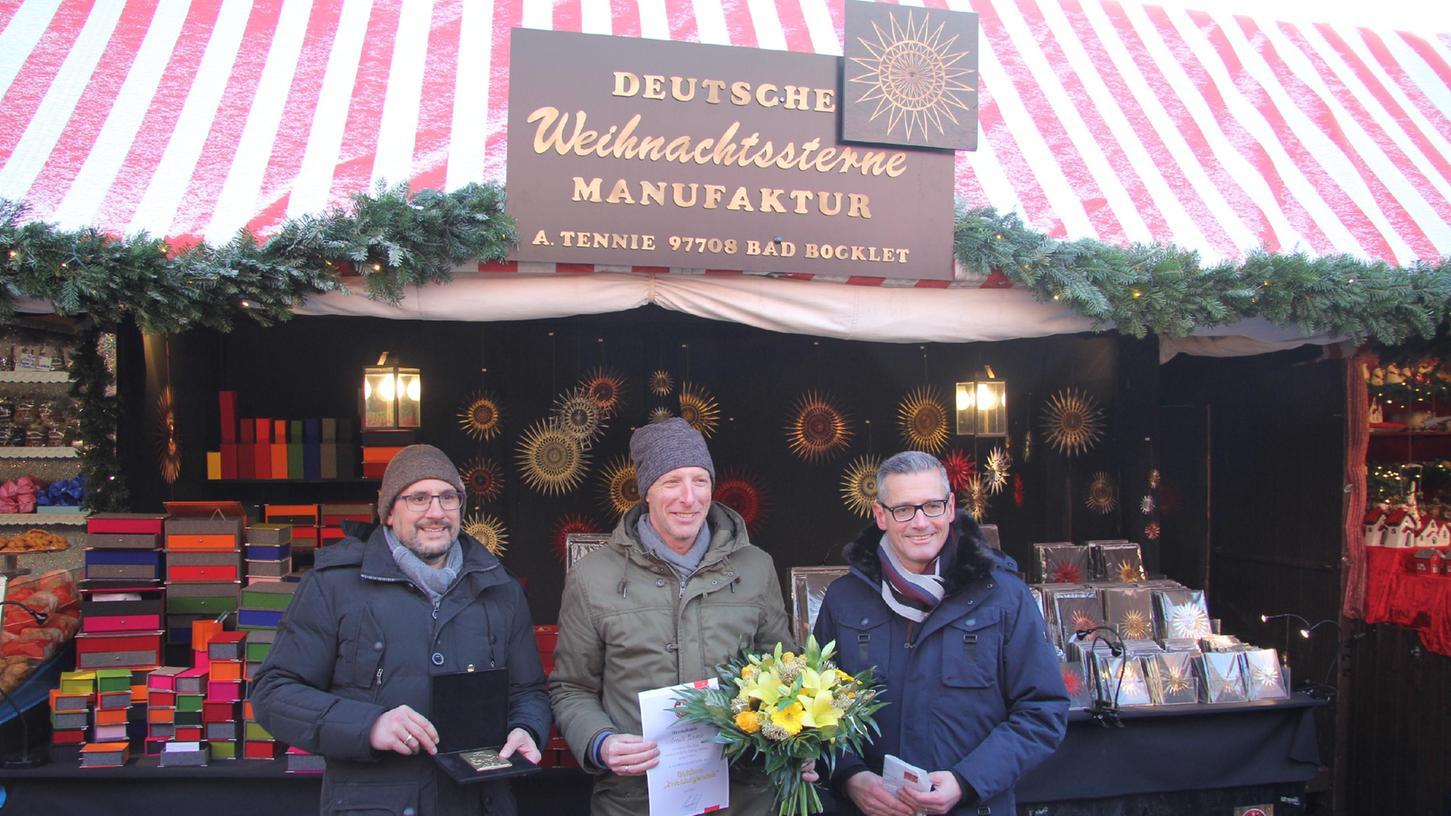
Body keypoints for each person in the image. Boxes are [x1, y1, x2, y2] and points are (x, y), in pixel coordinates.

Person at [252, 444, 551, 816]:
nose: (436, 513)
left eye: (448, 498)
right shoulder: (333, 587)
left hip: (480, 803)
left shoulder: (500, 588)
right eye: (419, 498)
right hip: (375, 805)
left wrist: (528, 728)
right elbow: (272, 694)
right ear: (389, 512)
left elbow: (529, 692)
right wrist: (369, 724)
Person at [549, 418, 798, 815]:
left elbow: (787, 672)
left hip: (745, 798)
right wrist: (600, 741)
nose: (690, 497)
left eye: (700, 481)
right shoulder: (592, 578)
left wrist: (800, 742)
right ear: (646, 491)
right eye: (672, 482)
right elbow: (571, 688)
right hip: (636, 800)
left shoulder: (755, 567)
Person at [813, 450, 1067, 816]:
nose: (920, 522)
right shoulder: (845, 599)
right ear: (881, 516)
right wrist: (849, 777)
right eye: (904, 509)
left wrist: (967, 781)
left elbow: (1042, 711)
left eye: (932, 506)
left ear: (950, 509)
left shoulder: (1004, 595)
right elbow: (814, 711)